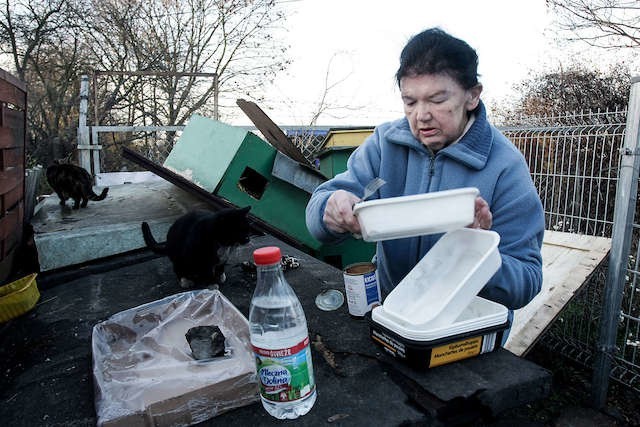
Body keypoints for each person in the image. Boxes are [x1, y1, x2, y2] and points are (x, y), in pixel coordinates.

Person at [305, 28, 544, 334]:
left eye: (436, 100)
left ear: (472, 95)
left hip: (462, 333)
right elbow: (317, 217)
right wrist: (331, 209)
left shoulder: (504, 165)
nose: (421, 116)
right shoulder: (385, 143)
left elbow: (527, 281)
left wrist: (478, 254)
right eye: (410, 102)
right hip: (393, 316)